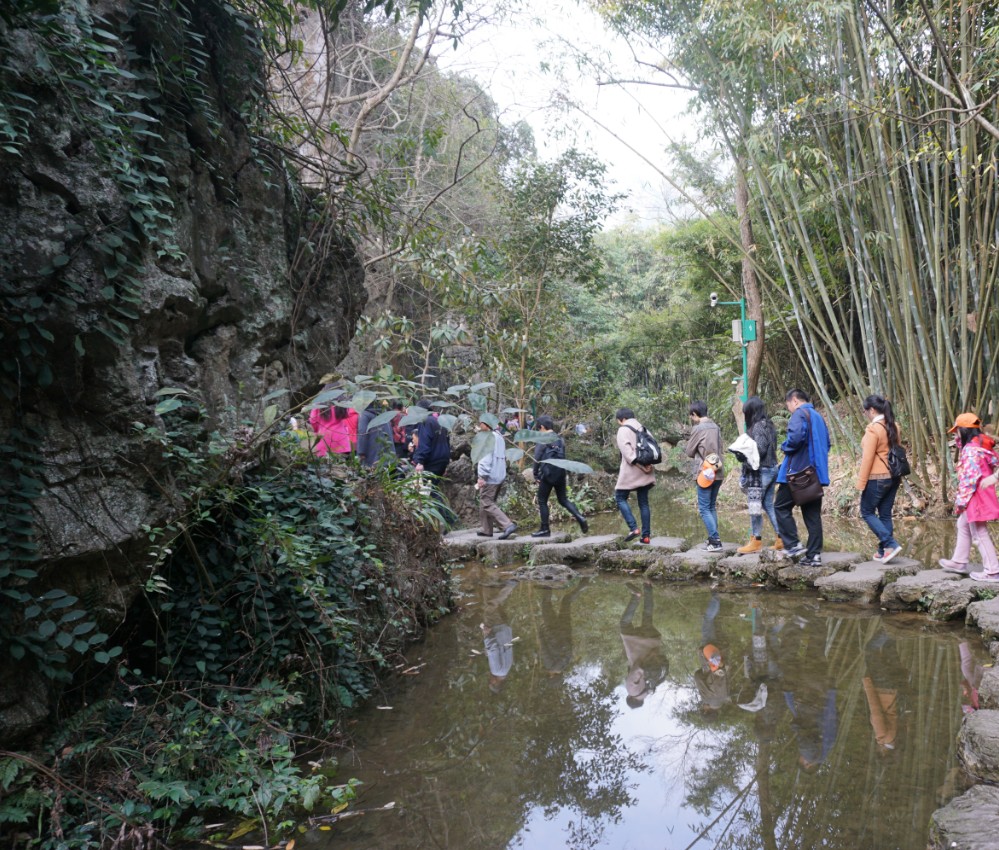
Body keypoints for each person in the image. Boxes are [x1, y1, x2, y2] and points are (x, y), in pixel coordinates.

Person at [938, 412, 999, 581]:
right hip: (982, 495)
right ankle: (959, 561)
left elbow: (969, 480)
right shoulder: (981, 445)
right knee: (962, 524)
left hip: (975, 496)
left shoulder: (971, 450)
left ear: (964, 431)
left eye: (957, 431)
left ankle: (992, 571)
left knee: (979, 533)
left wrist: (961, 501)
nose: (955, 435)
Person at [774, 389, 830, 567]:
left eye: (788, 405)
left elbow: (795, 438)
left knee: (780, 507)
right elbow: (827, 444)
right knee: (812, 514)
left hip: (797, 474)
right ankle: (814, 555)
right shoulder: (818, 417)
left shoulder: (799, 414)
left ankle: (793, 544)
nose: (789, 409)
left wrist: (785, 446)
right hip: (814, 474)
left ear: (795, 401)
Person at [857, 395, 903, 563]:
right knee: (884, 514)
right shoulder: (894, 426)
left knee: (867, 511)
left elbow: (867, 458)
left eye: (865, 411)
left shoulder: (873, 429)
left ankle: (890, 543)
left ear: (872, 410)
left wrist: (861, 482)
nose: (865, 414)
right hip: (894, 477)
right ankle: (884, 551)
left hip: (877, 478)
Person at [531, 415, 588, 537]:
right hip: (561, 472)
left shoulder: (543, 439)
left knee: (542, 500)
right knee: (563, 499)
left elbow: (537, 457)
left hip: (548, 473)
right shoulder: (559, 439)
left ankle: (545, 529)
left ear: (541, 427)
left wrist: (535, 474)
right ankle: (580, 517)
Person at [737, 396, 781, 554]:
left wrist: (742, 455)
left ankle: (755, 541)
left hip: (761, 471)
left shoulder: (757, 427)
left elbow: (760, 449)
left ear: (751, 412)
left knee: (754, 505)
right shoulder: (769, 425)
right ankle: (781, 538)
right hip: (772, 468)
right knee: (768, 505)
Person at [619, 581, 668, 708]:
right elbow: (637, 670)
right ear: (630, 698)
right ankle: (636, 596)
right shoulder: (632, 691)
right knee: (624, 625)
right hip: (640, 644)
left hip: (652, 641)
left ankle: (648, 586)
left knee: (647, 616)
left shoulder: (650, 688)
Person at [685, 400, 726, 551]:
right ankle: (713, 538)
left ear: (695, 414)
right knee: (711, 506)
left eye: (692, 416)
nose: (692, 419)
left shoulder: (698, 428)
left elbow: (689, 451)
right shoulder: (716, 427)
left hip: (705, 472)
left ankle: (715, 541)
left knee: (703, 508)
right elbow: (721, 448)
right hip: (718, 470)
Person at [614, 408, 655, 543]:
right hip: (647, 471)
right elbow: (653, 449)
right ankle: (646, 536)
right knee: (643, 503)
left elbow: (628, 453)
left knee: (620, 497)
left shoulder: (623, 430)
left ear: (622, 419)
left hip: (631, 471)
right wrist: (647, 466)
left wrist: (641, 466)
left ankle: (633, 528)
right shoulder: (644, 428)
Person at [475, 418, 517, 540]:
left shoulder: (488, 438)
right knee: (485, 500)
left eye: (481, 423)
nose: (479, 425)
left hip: (490, 475)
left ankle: (507, 525)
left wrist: (482, 476)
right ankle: (486, 529)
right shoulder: (499, 436)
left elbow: (485, 457)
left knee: (486, 502)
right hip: (499, 474)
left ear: (486, 425)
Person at [411, 398, 451, 476]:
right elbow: (447, 439)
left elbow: (424, 441)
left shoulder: (426, 421)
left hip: (432, 460)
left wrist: (420, 461)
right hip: (443, 459)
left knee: (427, 486)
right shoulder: (440, 419)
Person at [357, 402, 394, 467]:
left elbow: (362, 433)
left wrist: (361, 452)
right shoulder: (384, 414)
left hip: (372, 456)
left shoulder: (365, 414)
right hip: (388, 454)